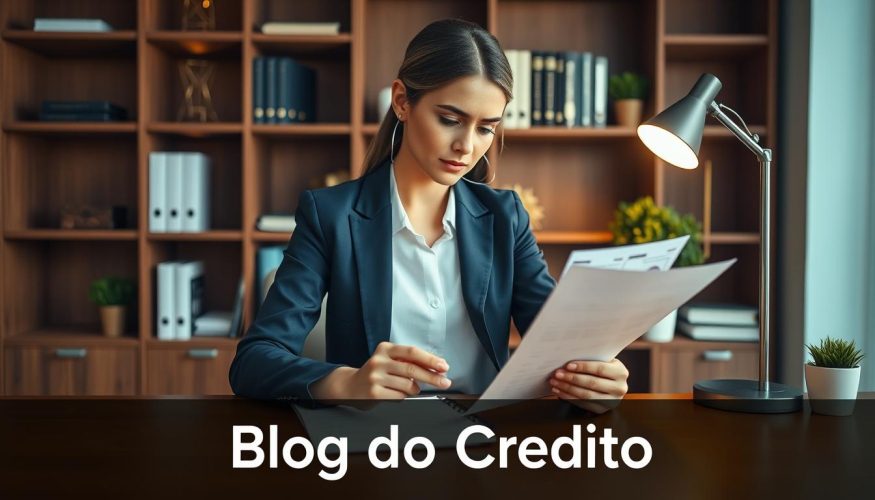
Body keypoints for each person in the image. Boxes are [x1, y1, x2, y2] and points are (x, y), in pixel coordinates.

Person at [229, 19, 629, 406]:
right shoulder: (331, 215)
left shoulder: (505, 217)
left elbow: (558, 345)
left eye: (486, 128)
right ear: (402, 101)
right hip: (375, 442)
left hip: (483, 438)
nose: (467, 147)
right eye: (450, 120)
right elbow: (254, 361)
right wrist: (345, 382)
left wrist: (595, 383)